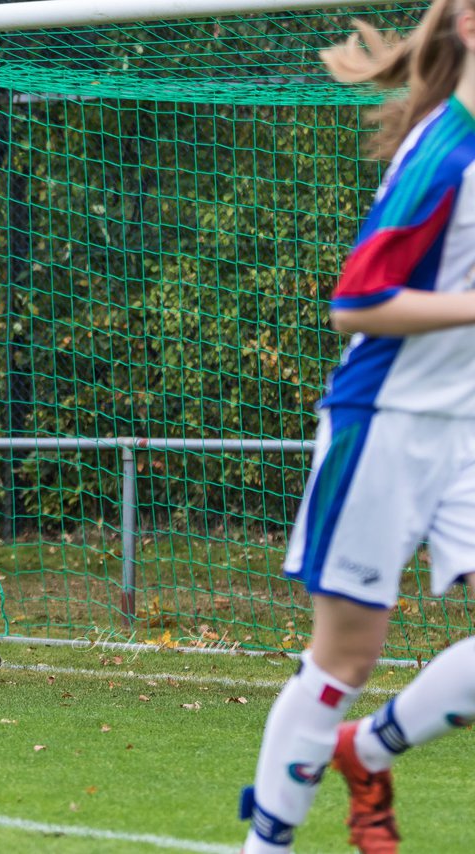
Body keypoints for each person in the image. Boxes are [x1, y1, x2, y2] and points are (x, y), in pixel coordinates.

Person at [241, 3, 475, 852]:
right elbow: (358, 301)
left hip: (467, 431)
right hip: (386, 425)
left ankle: (365, 752)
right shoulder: (448, 150)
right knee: (346, 657)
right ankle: (264, 845)